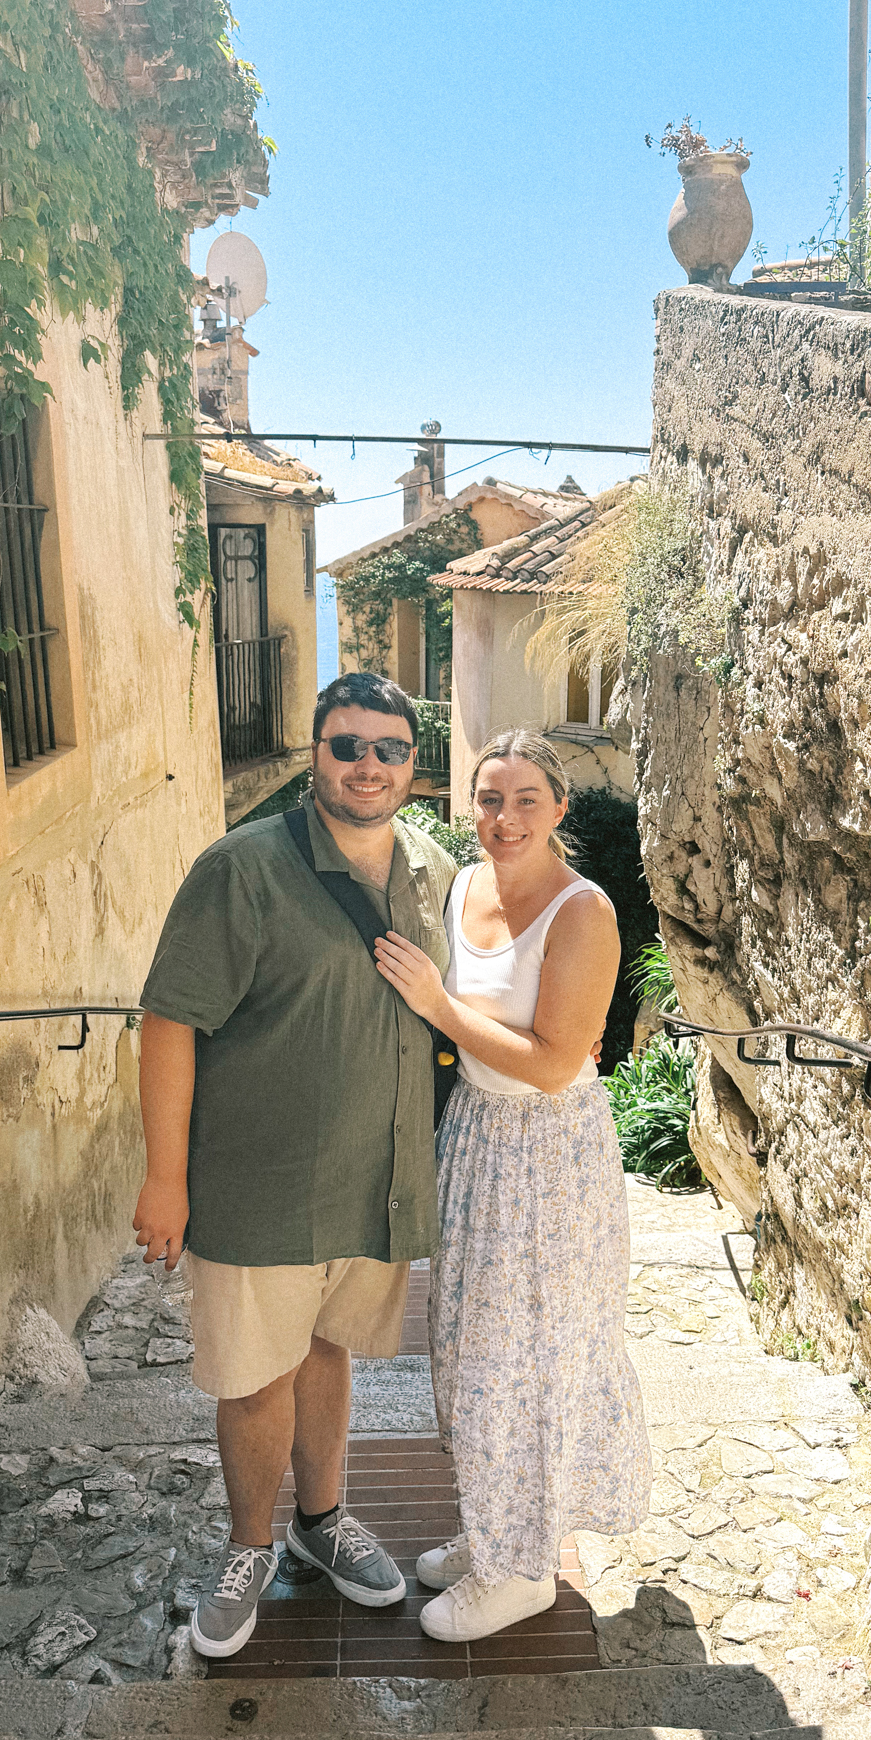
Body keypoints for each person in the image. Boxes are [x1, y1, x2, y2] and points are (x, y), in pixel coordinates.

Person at [132, 672, 459, 1658]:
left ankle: (323, 1518)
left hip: (377, 1179)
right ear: (314, 751)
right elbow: (168, 1020)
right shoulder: (241, 868)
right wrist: (165, 1178)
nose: (368, 764)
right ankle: (249, 1543)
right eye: (347, 743)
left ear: (412, 763)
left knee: (328, 1350)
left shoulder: (431, 870)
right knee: (251, 1374)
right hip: (258, 1183)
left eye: (388, 748)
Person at [374, 728, 652, 1641]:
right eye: (489, 799)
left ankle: (523, 1570)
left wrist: (438, 1006)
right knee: (466, 1351)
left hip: (548, 1154)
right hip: (478, 1138)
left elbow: (550, 1064)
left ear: (559, 809)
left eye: (526, 799)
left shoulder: (583, 912)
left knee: (525, 1361)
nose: (504, 817)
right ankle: (496, 1525)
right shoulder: (464, 886)